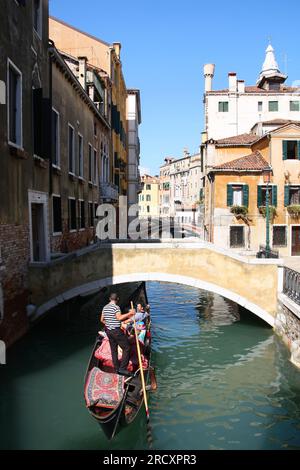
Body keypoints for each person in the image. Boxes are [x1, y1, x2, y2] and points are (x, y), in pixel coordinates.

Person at [101, 293, 134, 377]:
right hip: (116, 331)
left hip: (108, 331)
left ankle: (116, 368)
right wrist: (130, 314)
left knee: (113, 349)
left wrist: (109, 324)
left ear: (109, 299)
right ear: (117, 299)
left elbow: (102, 320)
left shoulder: (105, 307)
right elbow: (119, 318)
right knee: (127, 348)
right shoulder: (116, 307)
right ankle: (122, 369)